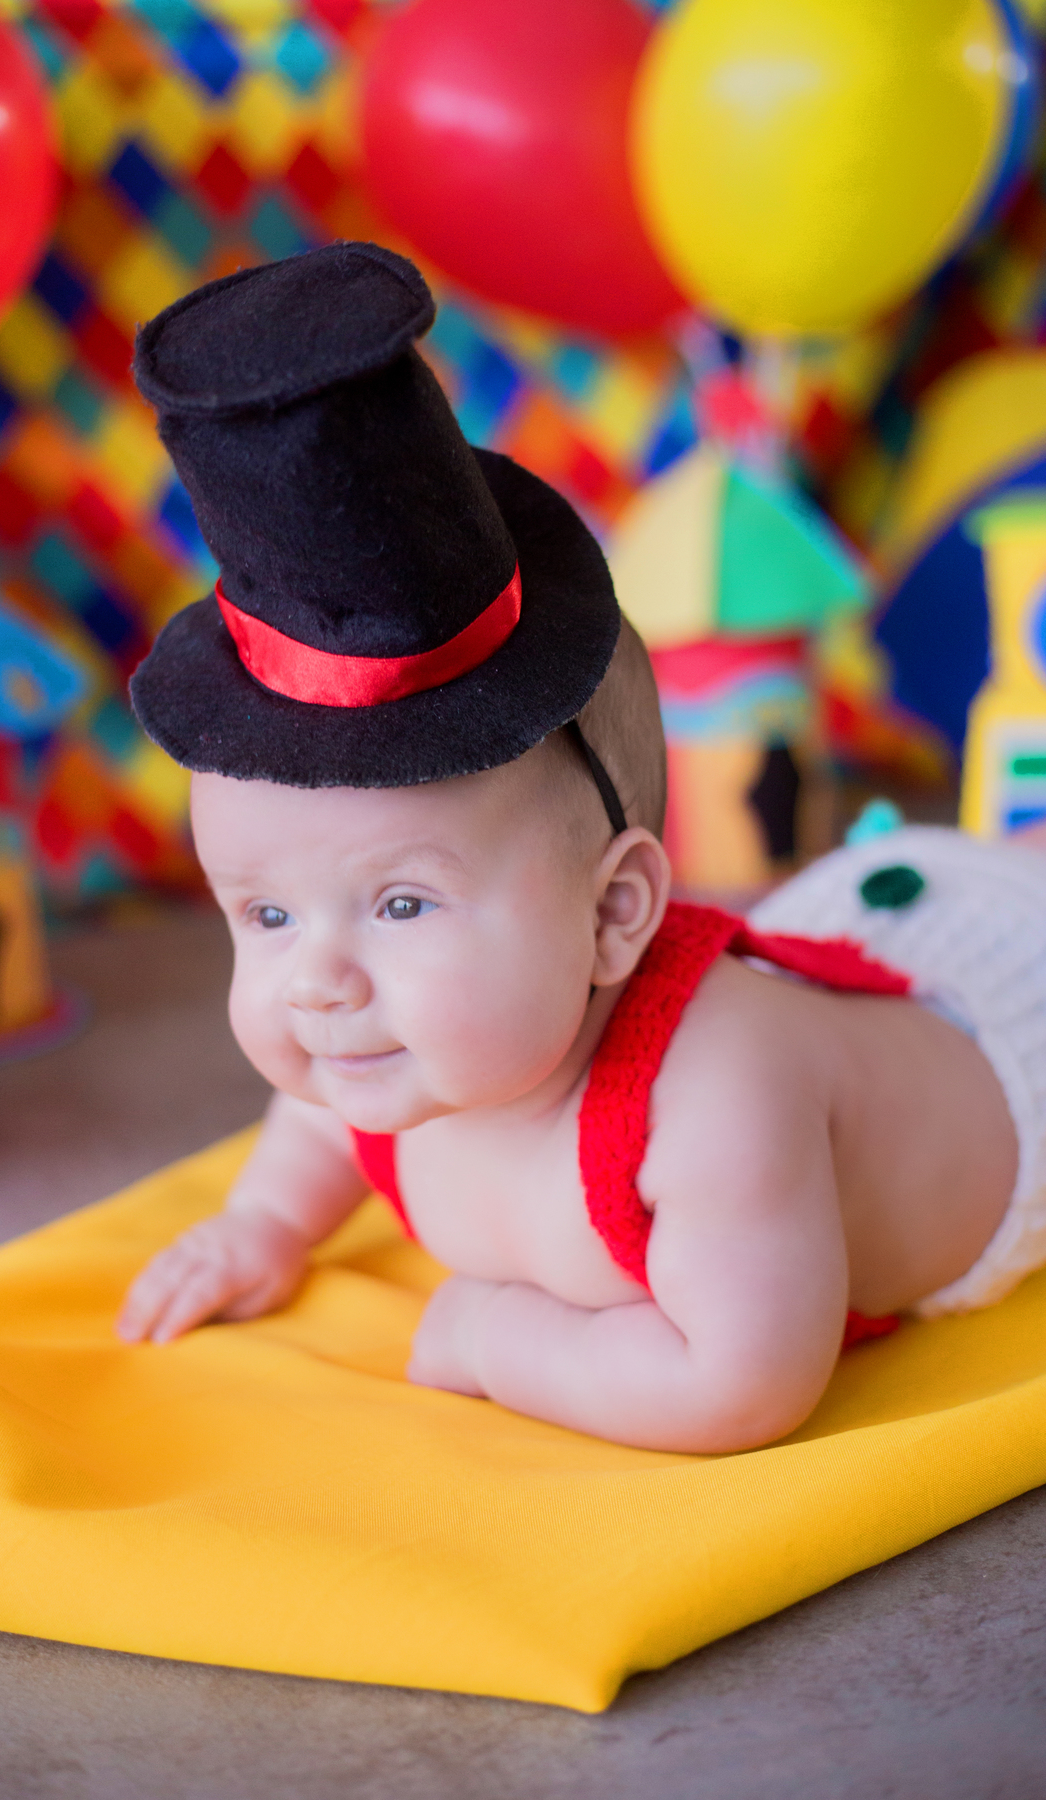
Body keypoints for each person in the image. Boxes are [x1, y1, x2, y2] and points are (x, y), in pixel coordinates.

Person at [116, 242, 1046, 1453]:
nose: (319, 982)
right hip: (843, 943)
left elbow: (743, 1384)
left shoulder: (710, 1101)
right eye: (266, 915)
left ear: (616, 914)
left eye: (400, 905)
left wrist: (499, 1338)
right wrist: (265, 1226)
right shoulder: (385, 1045)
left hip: (1007, 1030)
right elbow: (327, 1119)